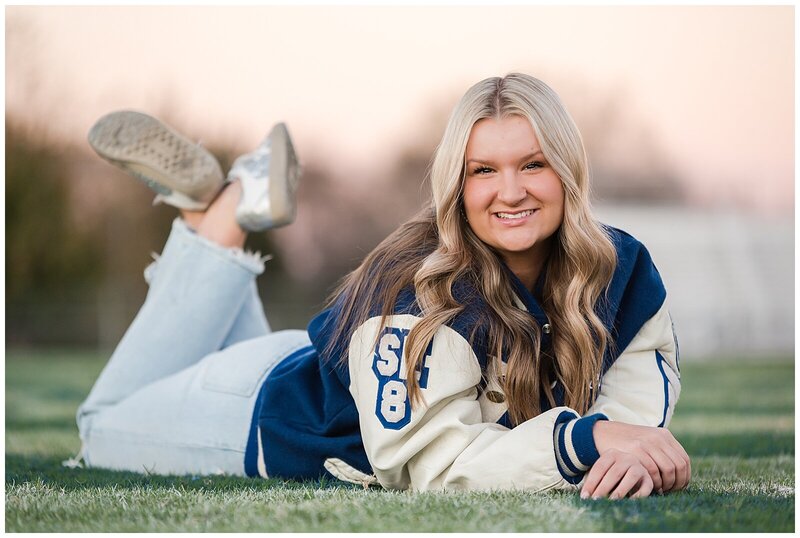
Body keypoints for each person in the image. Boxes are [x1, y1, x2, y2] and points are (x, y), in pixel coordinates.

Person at [73, 73, 689, 500]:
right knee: (99, 428)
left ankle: (209, 213)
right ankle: (229, 210)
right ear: (455, 184)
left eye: (533, 163)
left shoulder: (621, 270)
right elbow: (437, 468)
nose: (511, 191)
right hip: (258, 416)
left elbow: (631, 431)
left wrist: (629, 454)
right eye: (484, 171)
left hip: (323, 375)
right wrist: (588, 439)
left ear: (568, 168)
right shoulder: (417, 285)